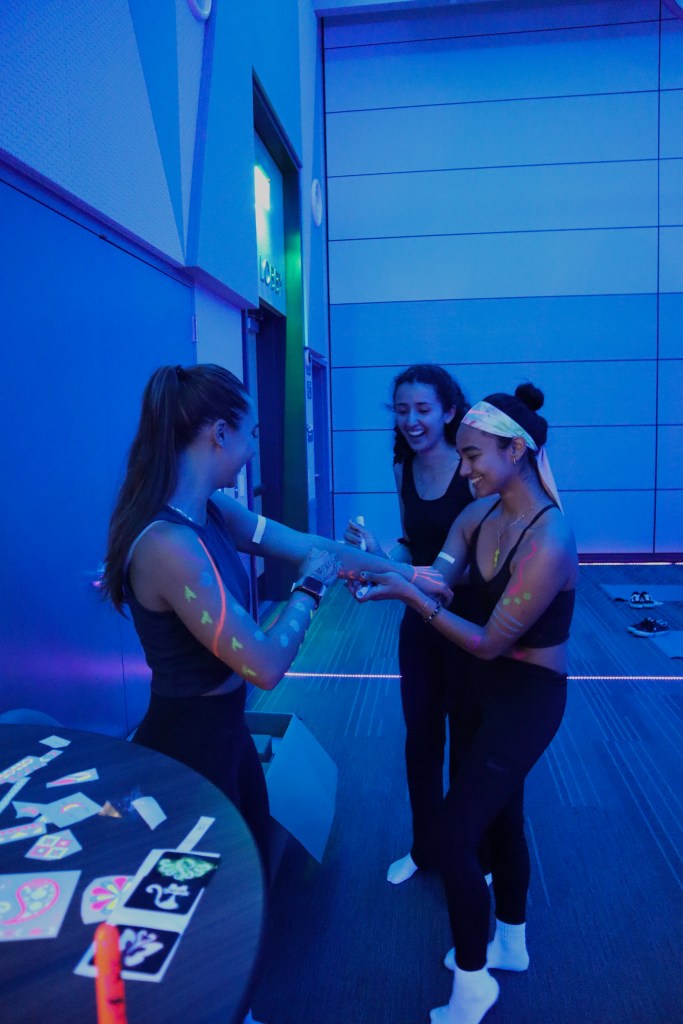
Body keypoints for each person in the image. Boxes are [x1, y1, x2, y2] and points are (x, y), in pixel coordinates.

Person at [352, 383, 577, 1024]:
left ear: (516, 450)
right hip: (484, 690)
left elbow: (484, 641)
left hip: (526, 699)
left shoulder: (548, 538)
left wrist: (405, 594)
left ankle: (474, 985)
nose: (466, 467)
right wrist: (376, 565)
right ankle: (511, 943)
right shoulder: (478, 516)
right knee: (501, 819)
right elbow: (438, 577)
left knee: (454, 837)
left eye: (476, 456)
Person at [344, 364, 474, 885]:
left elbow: (471, 567)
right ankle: (425, 847)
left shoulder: (472, 470)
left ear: (448, 411)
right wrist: (378, 554)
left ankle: (470, 851)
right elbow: (410, 544)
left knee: (467, 739)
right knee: (420, 737)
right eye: (402, 411)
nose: (412, 421)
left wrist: (404, 575)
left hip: (467, 622)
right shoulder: (403, 469)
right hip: (418, 619)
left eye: (423, 410)